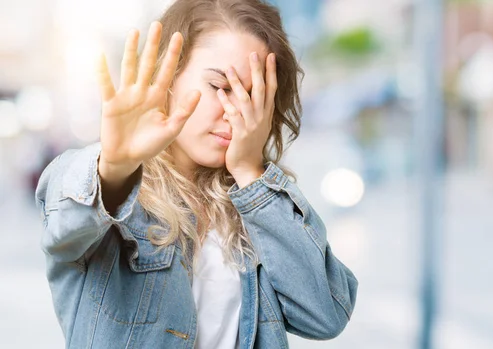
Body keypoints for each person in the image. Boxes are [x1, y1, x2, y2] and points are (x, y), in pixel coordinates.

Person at [34, 0, 358, 348]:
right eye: (221, 86)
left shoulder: (260, 206)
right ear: (167, 75)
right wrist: (114, 169)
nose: (234, 112)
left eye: (253, 96)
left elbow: (326, 316)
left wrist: (250, 173)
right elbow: (65, 226)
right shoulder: (94, 178)